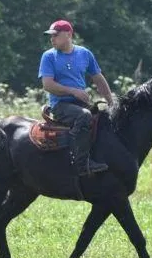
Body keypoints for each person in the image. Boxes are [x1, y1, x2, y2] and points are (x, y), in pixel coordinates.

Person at [38, 20, 113, 176]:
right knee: (84, 116)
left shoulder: (85, 54)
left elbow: (98, 78)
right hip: (60, 105)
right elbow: (48, 85)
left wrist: (110, 101)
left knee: (105, 115)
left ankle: (105, 158)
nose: (52, 39)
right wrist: (73, 91)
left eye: (55, 35)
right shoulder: (49, 56)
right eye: (51, 36)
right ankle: (80, 164)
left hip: (81, 103)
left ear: (69, 35)